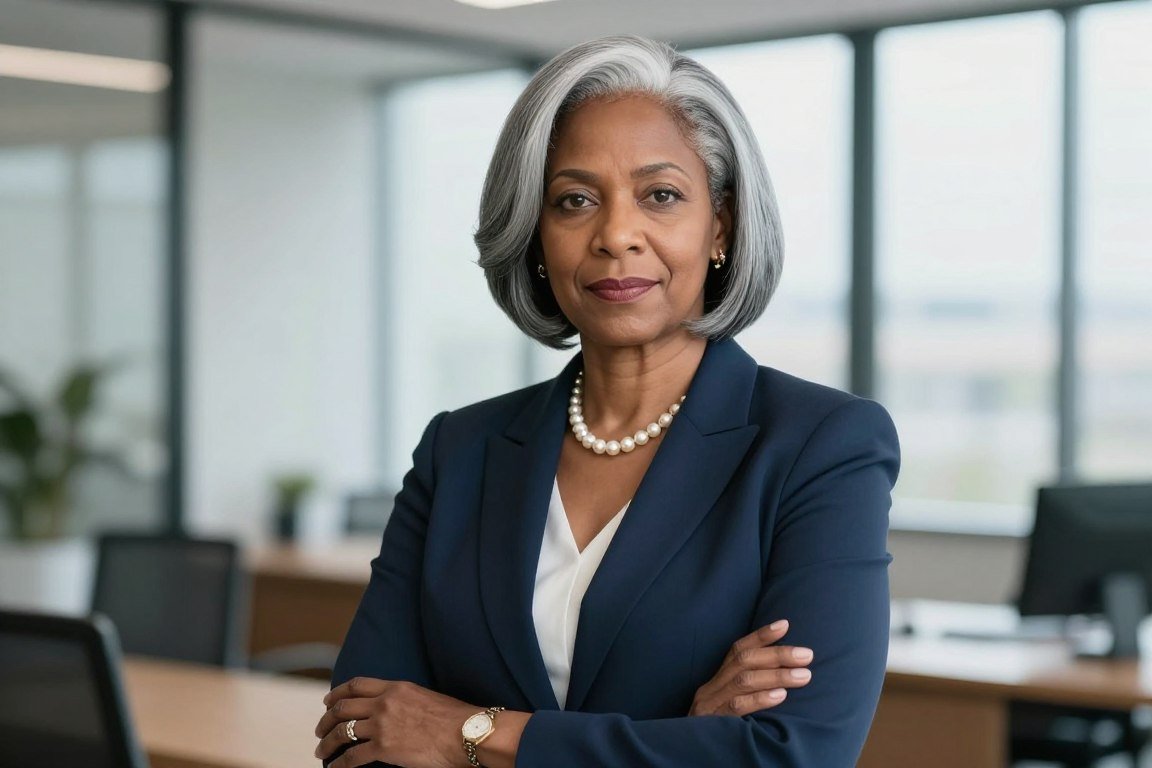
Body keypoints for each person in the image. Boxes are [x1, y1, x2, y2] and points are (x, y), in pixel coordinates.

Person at [314, 34, 899, 768]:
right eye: (575, 200)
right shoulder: (458, 450)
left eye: (661, 196)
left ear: (719, 225)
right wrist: (679, 728)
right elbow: (361, 737)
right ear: (536, 234)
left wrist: (469, 732)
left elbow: (794, 755)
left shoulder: (821, 445)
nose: (617, 235)